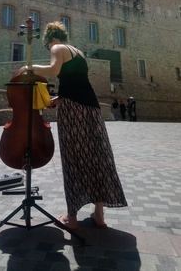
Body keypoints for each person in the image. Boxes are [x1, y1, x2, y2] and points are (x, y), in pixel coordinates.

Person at [21, 21, 127, 230]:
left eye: (48, 47)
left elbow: (53, 70)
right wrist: (60, 96)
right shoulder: (78, 52)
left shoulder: (58, 48)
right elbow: (76, 81)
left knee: (74, 158)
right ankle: (99, 214)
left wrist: (29, 68)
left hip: (73, 111)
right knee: (98, 156)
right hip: (92, 108)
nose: (51, 50)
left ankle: (72, 218)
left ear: (52, 40)